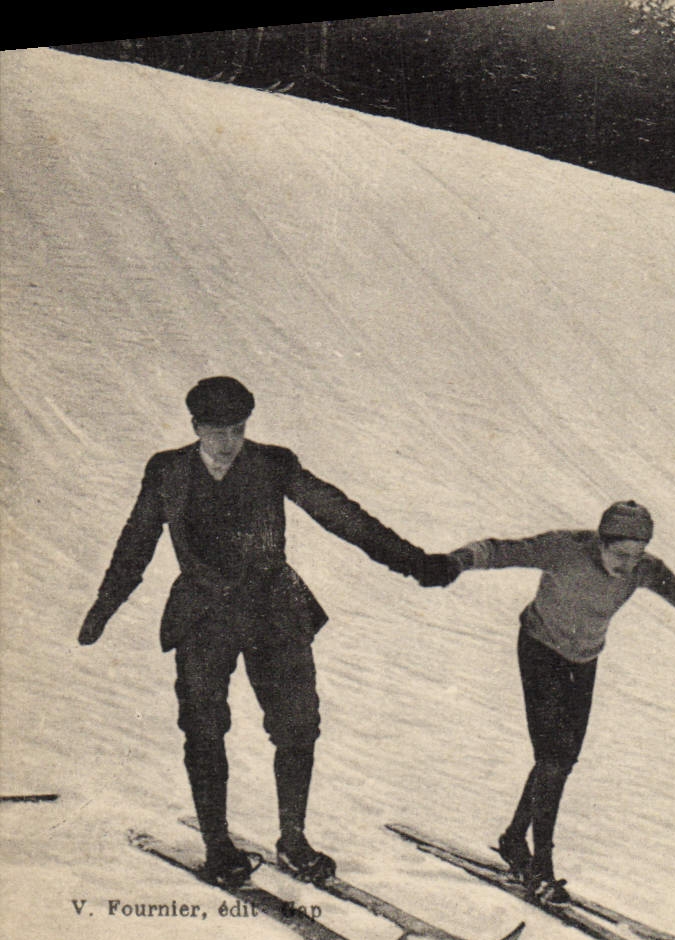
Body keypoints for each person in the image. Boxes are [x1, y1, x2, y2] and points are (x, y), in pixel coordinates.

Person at [78, 377, 456, 887]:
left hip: (274, 610)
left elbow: (341, 515)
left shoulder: (273, 464)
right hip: (204, 615)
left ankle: (293, 841)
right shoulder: (167, 471)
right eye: (218, 431)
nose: (228, 442)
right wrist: (105, 606)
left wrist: (414, 562)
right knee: (203, 728)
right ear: (196, 428)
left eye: (237, 429)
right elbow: (136, 541)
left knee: (298, 726)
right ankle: (217, 845)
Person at [432, 500, 675, 904]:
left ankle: (515, 839)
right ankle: (541, 867)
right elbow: (499, 550)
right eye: (620, 554)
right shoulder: (565, 548)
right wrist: (455, 562)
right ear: (601, 541)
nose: (628, 565)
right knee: (553, 759)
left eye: (637, 555)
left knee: (562, 760)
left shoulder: (645, 571)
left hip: (584, 659)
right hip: (539, 648)